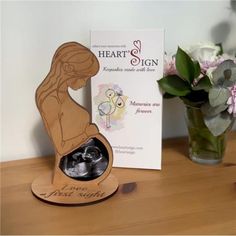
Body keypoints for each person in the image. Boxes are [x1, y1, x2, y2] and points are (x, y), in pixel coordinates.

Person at [36, 42, 100, 157]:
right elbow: (61, 147)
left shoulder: (62, 94)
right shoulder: (50, 100)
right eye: (84, 77)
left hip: (84, 158)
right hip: (71, 164)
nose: (85, 83)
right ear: (67, 68)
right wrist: (86, 134)